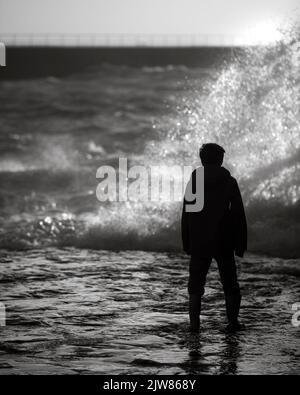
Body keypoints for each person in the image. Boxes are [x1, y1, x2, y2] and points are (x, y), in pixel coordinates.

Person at [181, 143, 247, 332]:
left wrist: (187, 242)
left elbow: (187, 214)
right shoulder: (229, 182)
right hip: (223, 240)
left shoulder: (194, 182)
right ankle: (232, 322)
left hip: (200, 241)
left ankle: (194, 325)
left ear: (202, 160)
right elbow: (238, 215)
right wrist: (240, 243)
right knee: (230, 284)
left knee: (195, 286)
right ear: (220, 160)